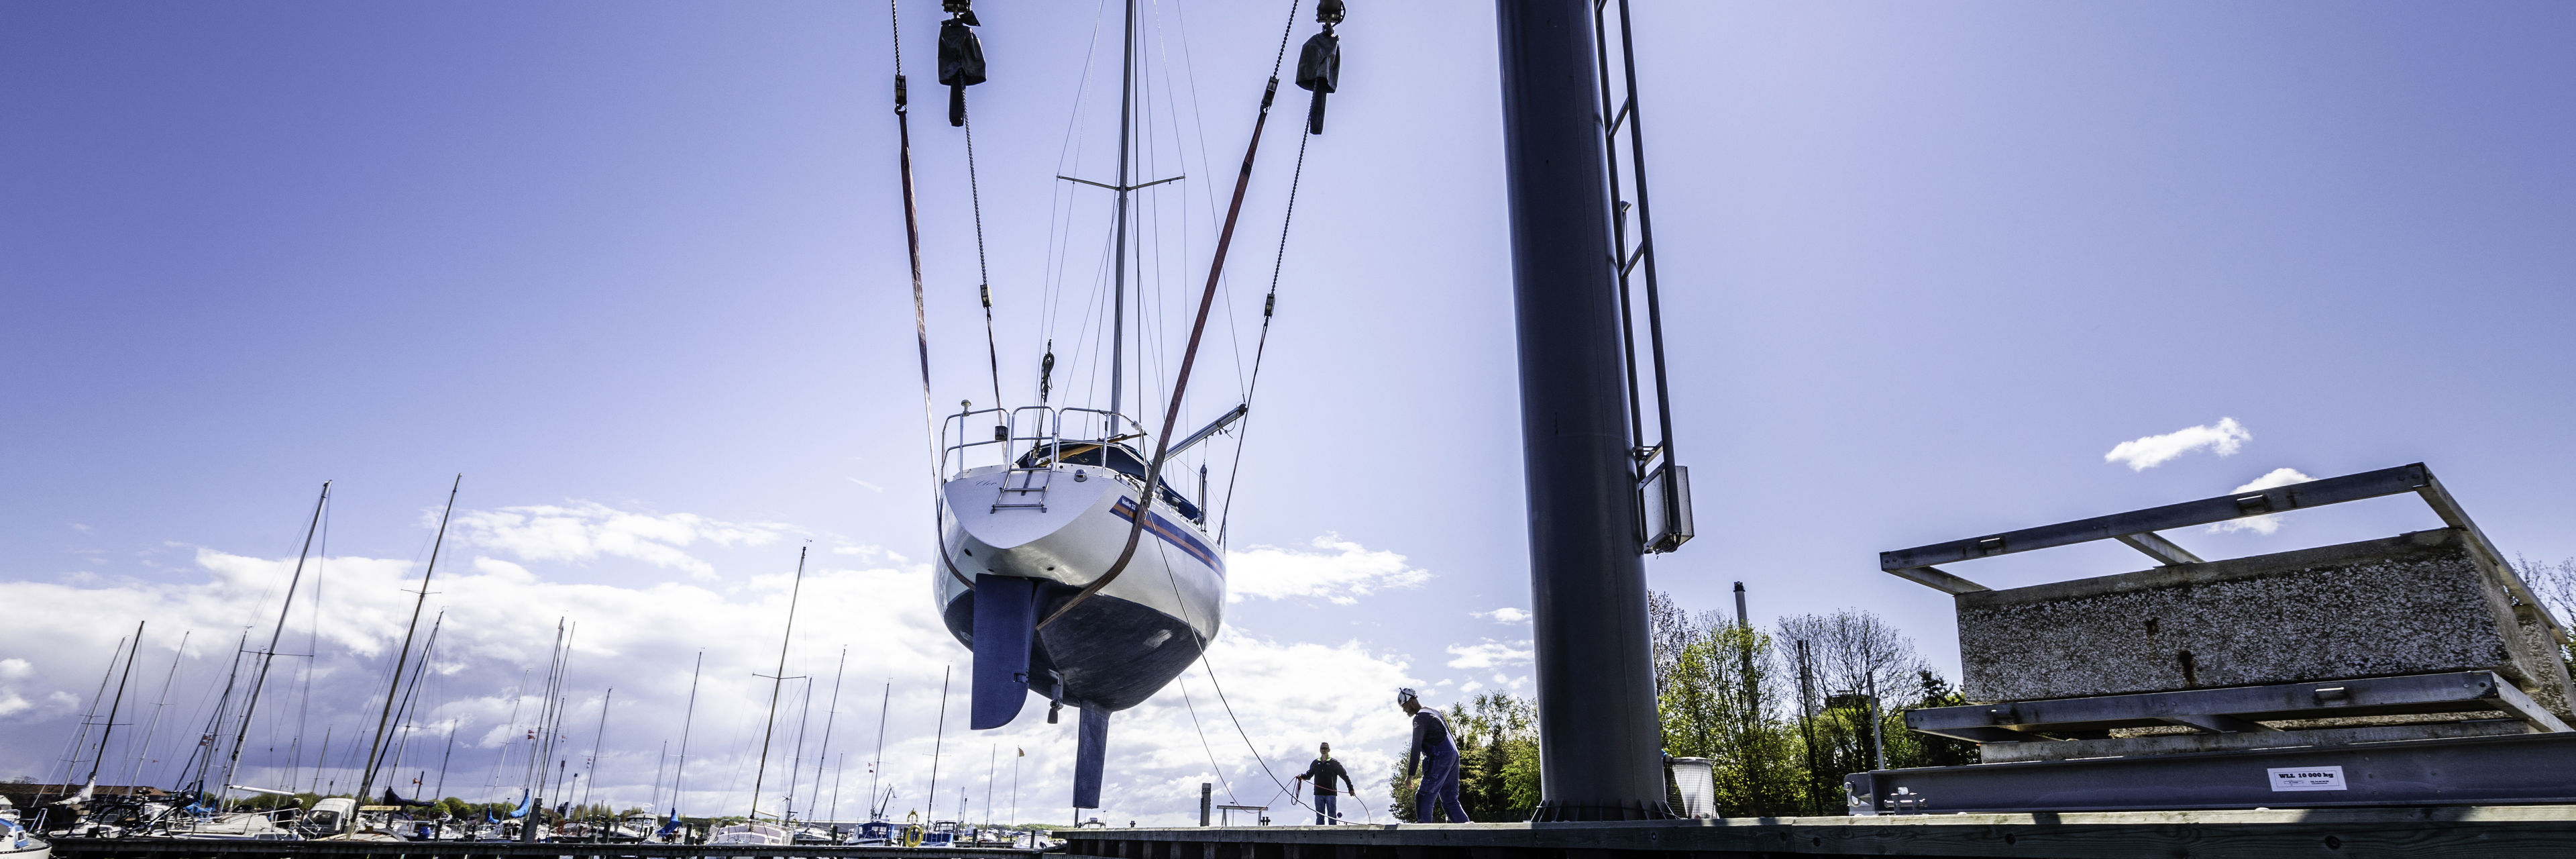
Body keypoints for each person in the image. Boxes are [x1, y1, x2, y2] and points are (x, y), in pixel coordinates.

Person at [1398, 688, 1469, 823]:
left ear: (1412, 702)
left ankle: (1423, 835)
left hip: (1440, 756)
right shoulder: (1434, 712)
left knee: (1423, 796)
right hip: (1453, 755)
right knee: (1450, 800)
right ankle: (1469, 832)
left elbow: (1416, 747)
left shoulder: (1420, 718)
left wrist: (1410, 775)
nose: (1404, 710)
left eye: (1404, 706)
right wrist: (1454, 758)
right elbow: (1450, 734)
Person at [1293, 742, 1356, 824]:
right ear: (1320, 750)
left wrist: (1350, 789)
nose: (1324, 750)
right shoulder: (1315, 763)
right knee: (1320, 817)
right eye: (1322, 748)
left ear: (1329, 750)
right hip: (1319, 794)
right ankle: (1319, 835)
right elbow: (1309, 775)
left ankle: (1333, 834)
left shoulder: (1335, 763)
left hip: (1331, 794)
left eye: (1325, 748)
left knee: (1332, 816)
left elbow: (1345, 776)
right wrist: (1302, 776)